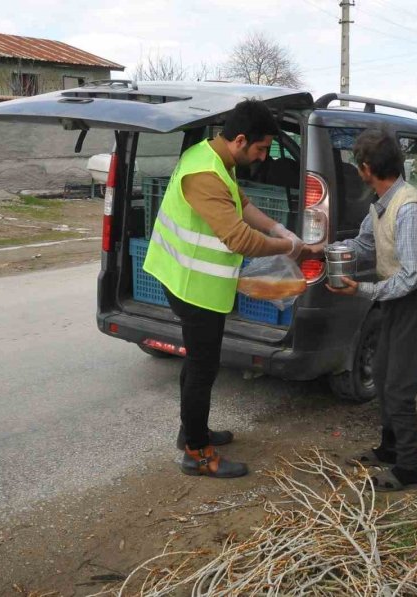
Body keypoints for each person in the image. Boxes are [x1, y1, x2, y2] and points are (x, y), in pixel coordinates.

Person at [145, 99, 307, 478]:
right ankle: (197, 454)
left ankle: (193, 431)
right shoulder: (204, 173)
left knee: (201, 365)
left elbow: (242, 204)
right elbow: (237, 237)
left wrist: (277, 228)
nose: (264, 157)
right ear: (239, 140)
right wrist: (289, 247)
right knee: (202, 369)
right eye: (261, 148)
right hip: (191, 285)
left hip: (197, 282)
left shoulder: (214, 158)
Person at [327, 128, 417, 492]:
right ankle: (389, 447)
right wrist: (324, 251)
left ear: (366, 169)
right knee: (382, 370)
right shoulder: (381, 203)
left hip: (416, 298)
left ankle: (408, 468)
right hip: (396, 295)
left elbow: (412, 277)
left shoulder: (408, 209)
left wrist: (361, 289)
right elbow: (363, 244)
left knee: (399, 383)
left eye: (356, 167)